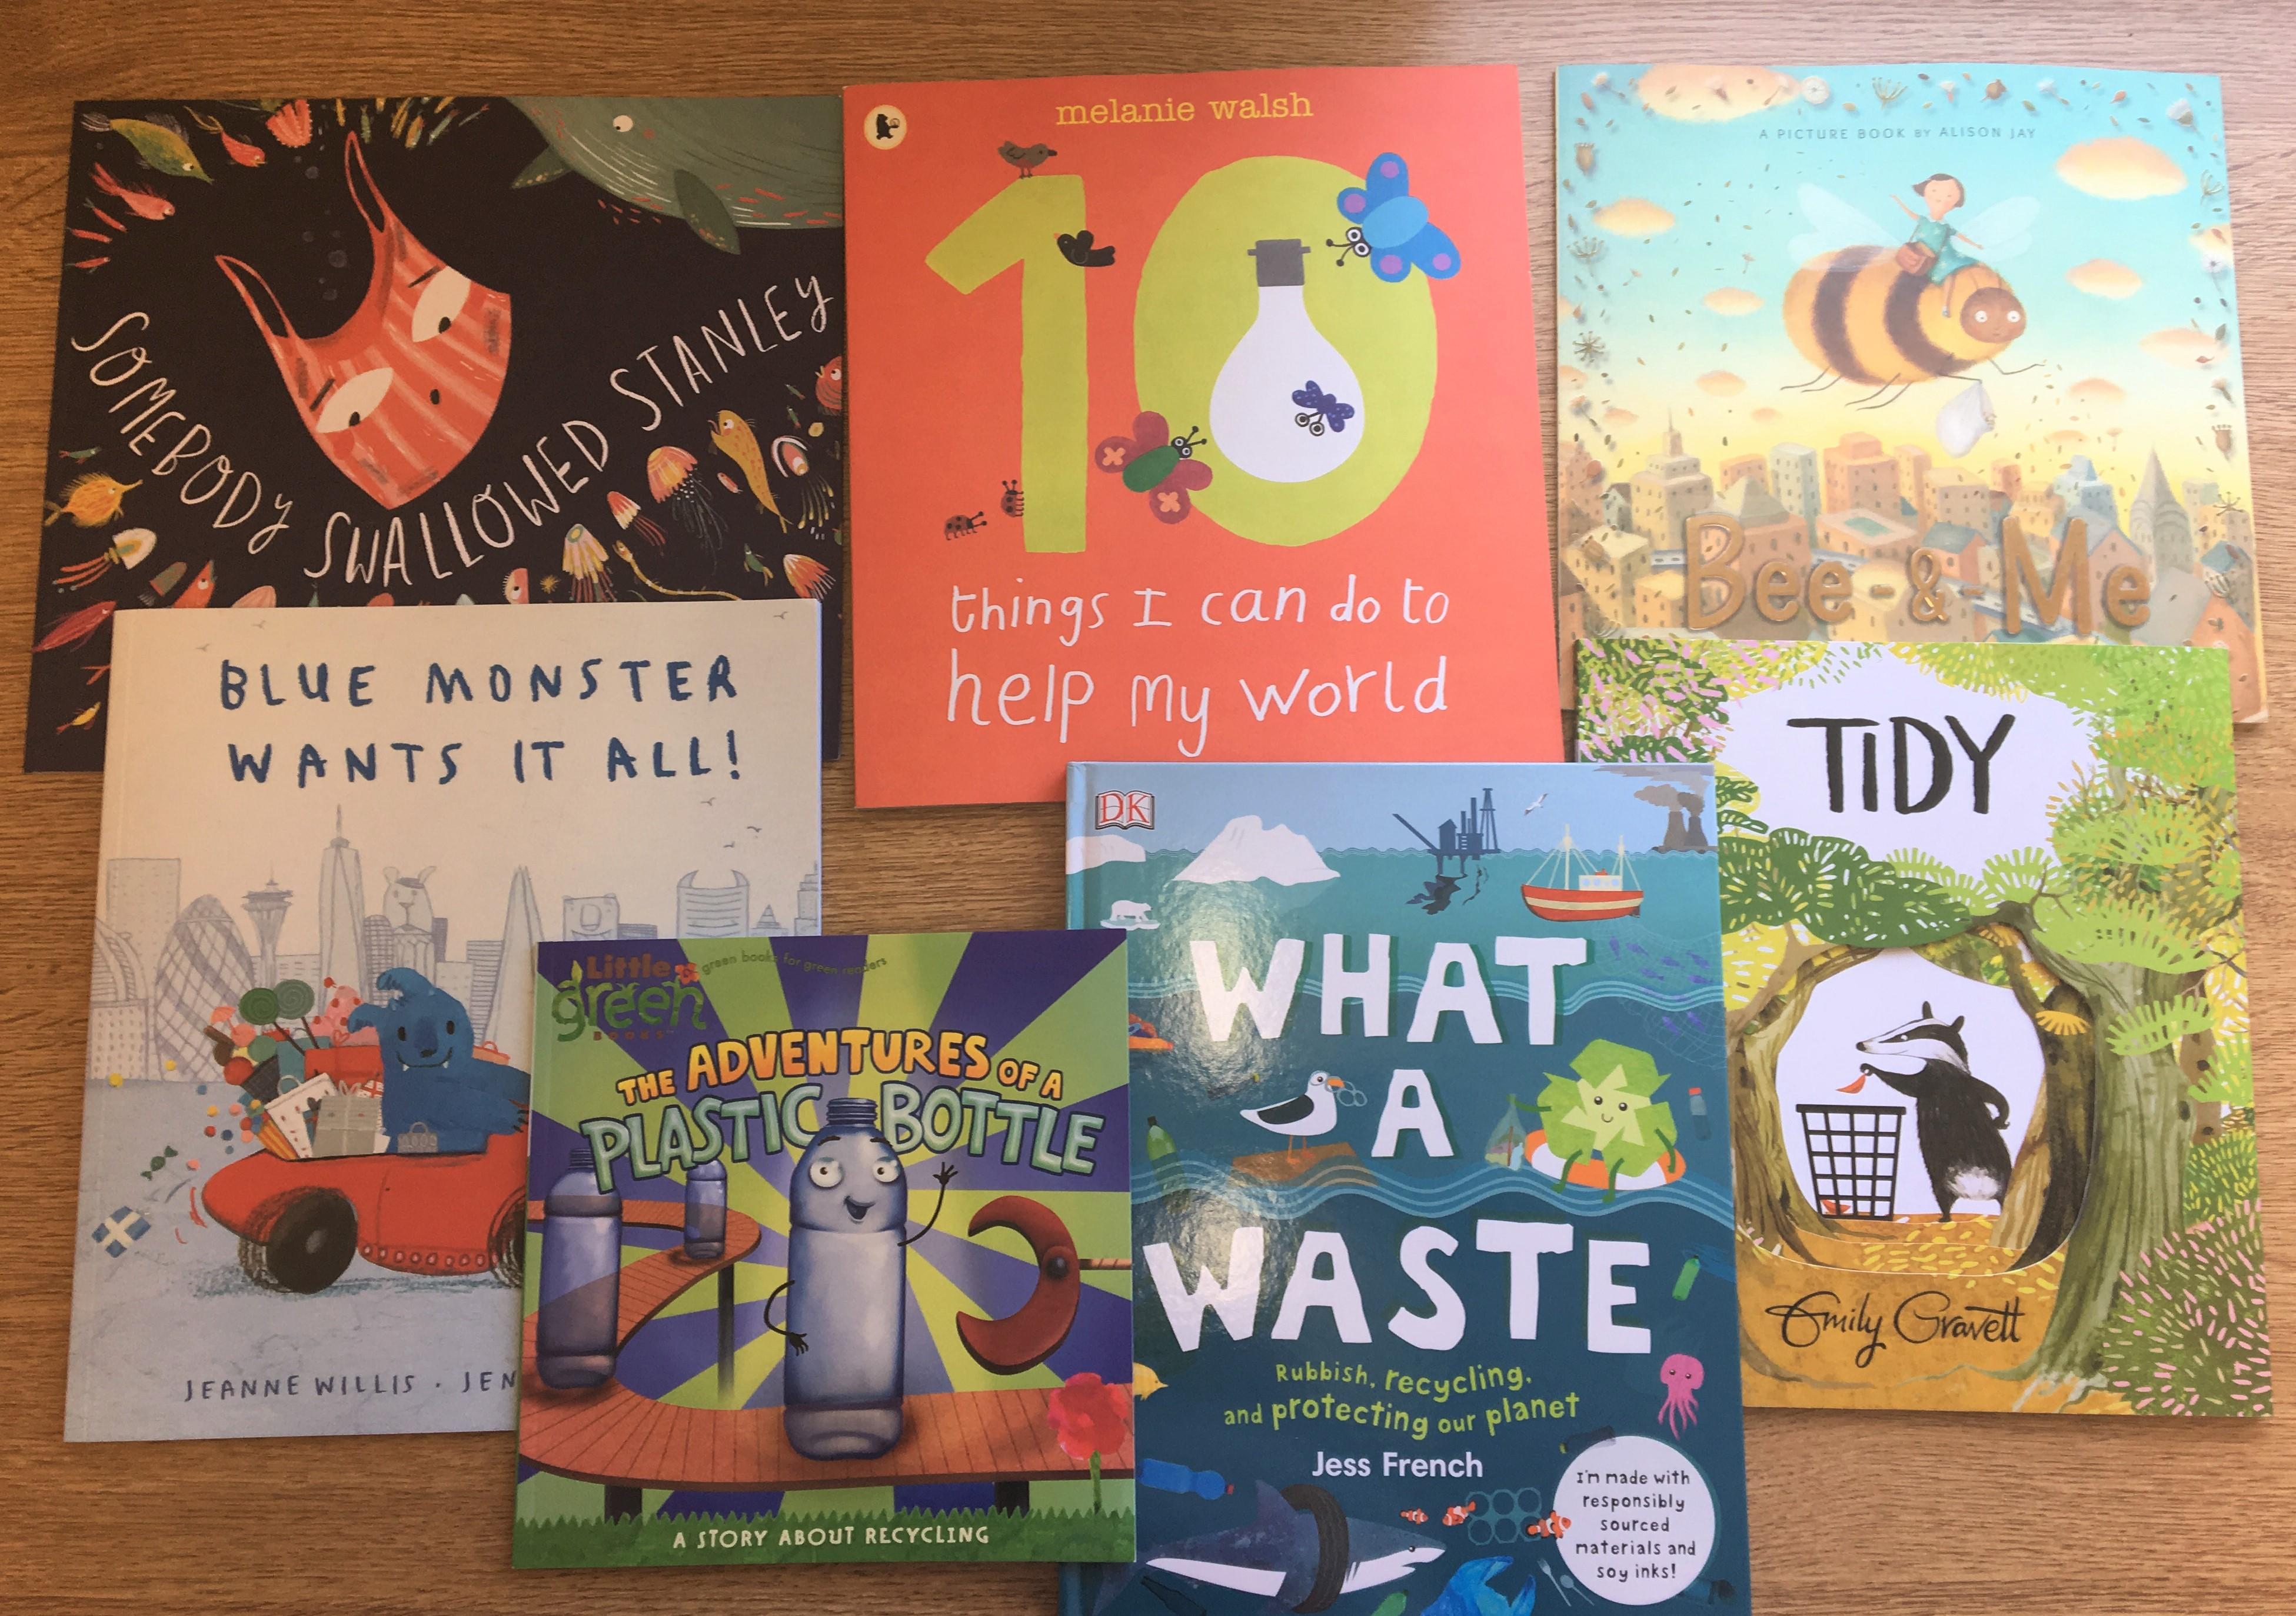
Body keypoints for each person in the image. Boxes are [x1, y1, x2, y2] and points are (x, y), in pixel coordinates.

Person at [1894, 174, 1986, 317]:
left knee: (1949, 275)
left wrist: (1975, 245)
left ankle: (1945, 306)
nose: (1940, 198)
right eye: (1934, 191)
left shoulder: (1945, 226)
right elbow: (1910, 213)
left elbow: (1959, 236)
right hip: (1920, 255)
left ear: (1955, 204)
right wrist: (1898, 201)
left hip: (1941, 256)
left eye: (1949, 196)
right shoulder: (1924, 220)